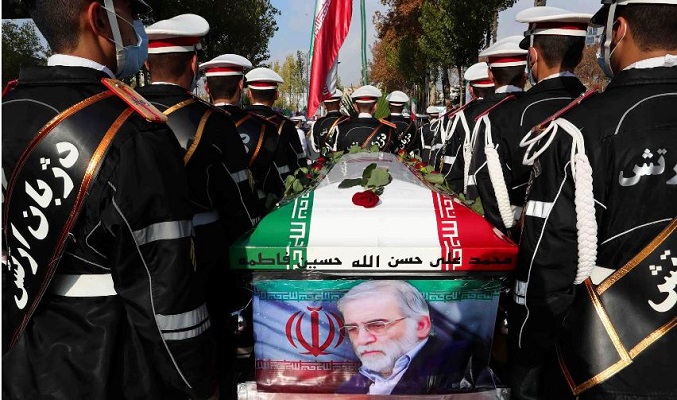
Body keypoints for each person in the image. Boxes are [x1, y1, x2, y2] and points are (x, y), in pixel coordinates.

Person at [2, 1, 217, 399]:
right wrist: (200, 382)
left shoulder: (7, 109)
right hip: (109, 368)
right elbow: (165, 295)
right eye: (130, 13)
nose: (138, 27)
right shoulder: (133, 133)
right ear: (99, 19)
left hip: (15, 364)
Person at [509, 1, 677, 399]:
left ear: (618, 30)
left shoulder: (578, 131)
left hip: (610, 374)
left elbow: (548, 272)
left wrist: (527, 362)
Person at [139, 14, 266, 399]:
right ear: (194, 64)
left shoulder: (122, 113)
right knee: (210, 349)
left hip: (136, 253)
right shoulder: (212, 122)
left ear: (146, 63)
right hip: (204, 252)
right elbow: (239, 206)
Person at [472, 7, 590, 235]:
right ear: (581, 56)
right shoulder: (600, 106)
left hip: (527, 240)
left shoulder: (502, 117)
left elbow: (490, 193)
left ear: (533, 56)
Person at [335, 280, 472, 395]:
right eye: (352, 329)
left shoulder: (461, 365)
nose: (362, 340)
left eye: (377, 325)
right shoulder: (347, 389)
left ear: (421, 325)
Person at [200, 54, 291, 210]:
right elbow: (278, 181)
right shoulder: (263, 128)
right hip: (254, 211)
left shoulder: (195, 122)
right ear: (241, 85)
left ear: (207, 87)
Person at [465, 36, 528, 200]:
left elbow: (476, 174)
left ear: (490, 74)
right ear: (525, 75)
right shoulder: (539, 107)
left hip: (495, 210)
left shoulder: (471, 115)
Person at [244, 67, 308, 174]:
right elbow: (299, 164)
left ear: (249, 94)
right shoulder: (285, 125)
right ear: (276, 95)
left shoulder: (234, 120)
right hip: (278, 188)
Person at [439, 61, 495, 183]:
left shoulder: (462, 116)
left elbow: (452, 165)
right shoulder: (514, 107)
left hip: (474, 190)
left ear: (471, 89)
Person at [332, 85, 397, 152]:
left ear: (355, 107)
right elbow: (395, 154)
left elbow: (335, 155)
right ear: (375, 106)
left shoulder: (341, 127)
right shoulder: (387, 128)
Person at [310, 89, 348, 157]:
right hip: (344, 164)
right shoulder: (348, 121)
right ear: (340, 104)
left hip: (325, 164)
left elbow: (316, 148)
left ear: (324, 106)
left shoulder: (317, 124)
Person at [385, 90, 421, 155]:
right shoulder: (411, 125)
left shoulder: (382, 123)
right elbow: (416, 147)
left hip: (385, 163)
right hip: (405, 162)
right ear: (403, 107)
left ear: (389, 106)